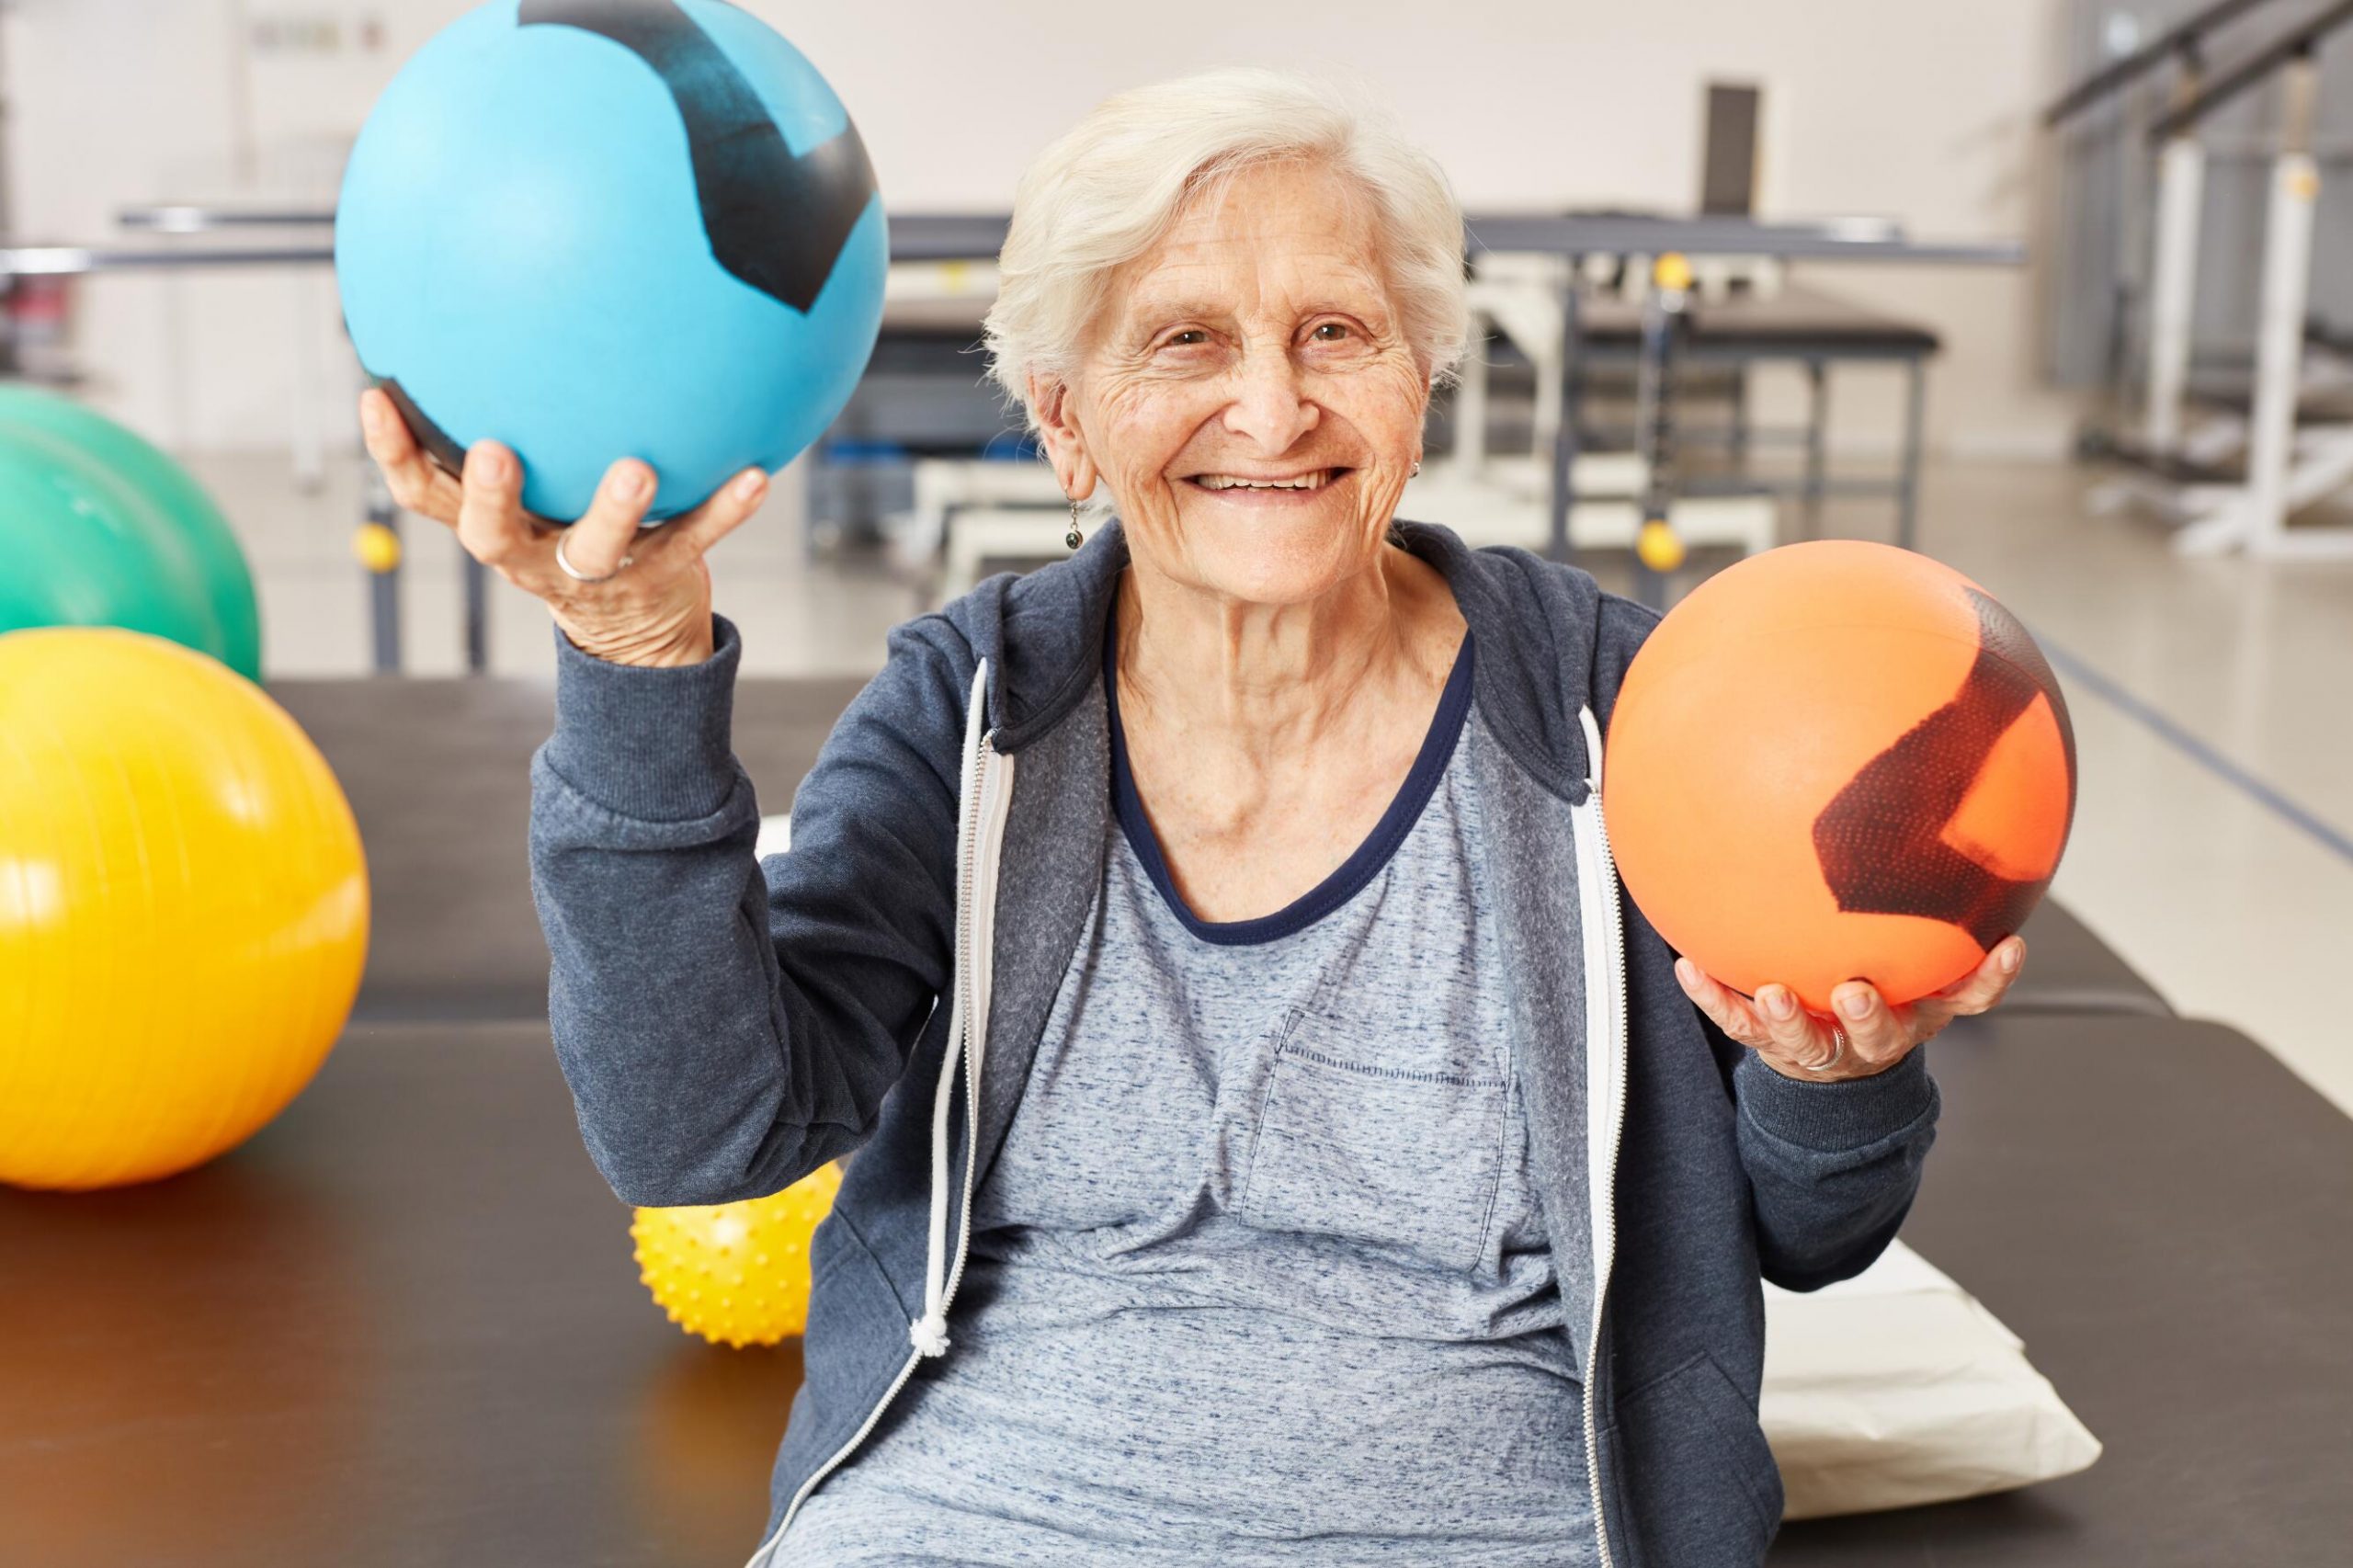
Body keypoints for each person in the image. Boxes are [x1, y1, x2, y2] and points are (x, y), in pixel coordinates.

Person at [359, 66, 2026, 1568]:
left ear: (1422, 381)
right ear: (1068, 424)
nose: (1274, 410)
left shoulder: (1618, 709)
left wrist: (1838, 1080)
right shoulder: (978, 706)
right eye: (1184, 341)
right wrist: (634, 657)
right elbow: (696, 1134)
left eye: (1333, 332)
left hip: (1483, 1517)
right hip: (979, 1510)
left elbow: (1814, 1236)